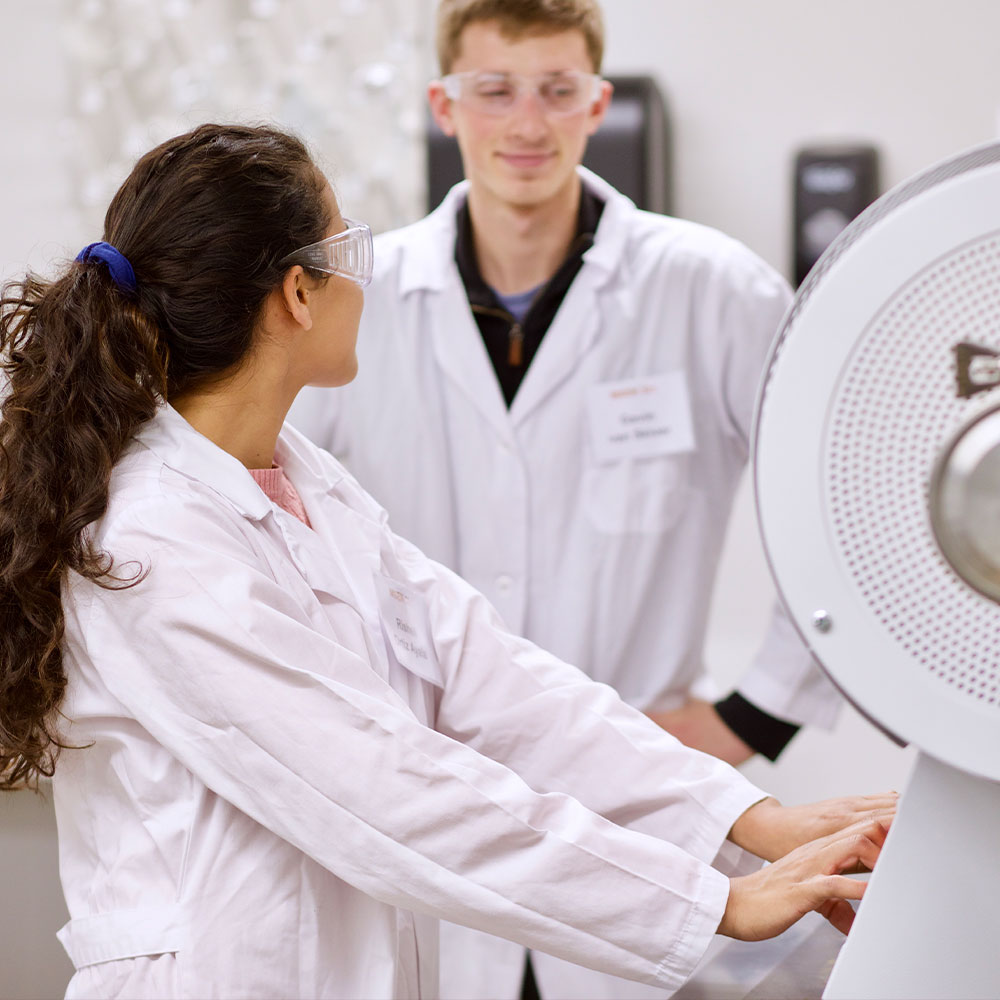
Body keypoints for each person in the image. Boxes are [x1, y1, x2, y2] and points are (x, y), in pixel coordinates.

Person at [0, 123, 891, 1000]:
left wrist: (755, 821)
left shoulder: (305, 483)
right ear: (297, 294)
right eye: (348, 247)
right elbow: (380, 788)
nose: (368, 277)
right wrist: (713, 902)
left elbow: (498, 683)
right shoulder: (155, 535)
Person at [286, 4, 847, 994]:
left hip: (645, 818)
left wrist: (753, 715)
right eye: (494, 91)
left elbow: (841, 496)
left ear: (598, 104)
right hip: (439, 823)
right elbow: (273, 516)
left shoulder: (707, 289)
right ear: (442, 106)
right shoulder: (356, 305)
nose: (527, 125)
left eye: (556, 92)